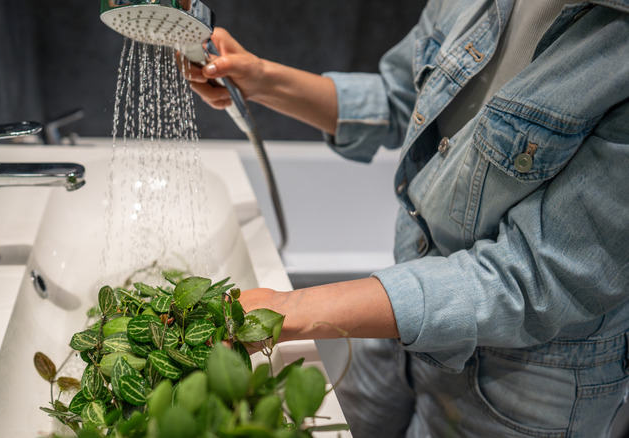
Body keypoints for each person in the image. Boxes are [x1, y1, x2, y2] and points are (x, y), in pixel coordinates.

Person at [184, 0, 629, 436]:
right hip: (400, 309)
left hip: (523, 382)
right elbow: (401, 98)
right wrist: (260, 79)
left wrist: (289, 307)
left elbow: (533, 277)